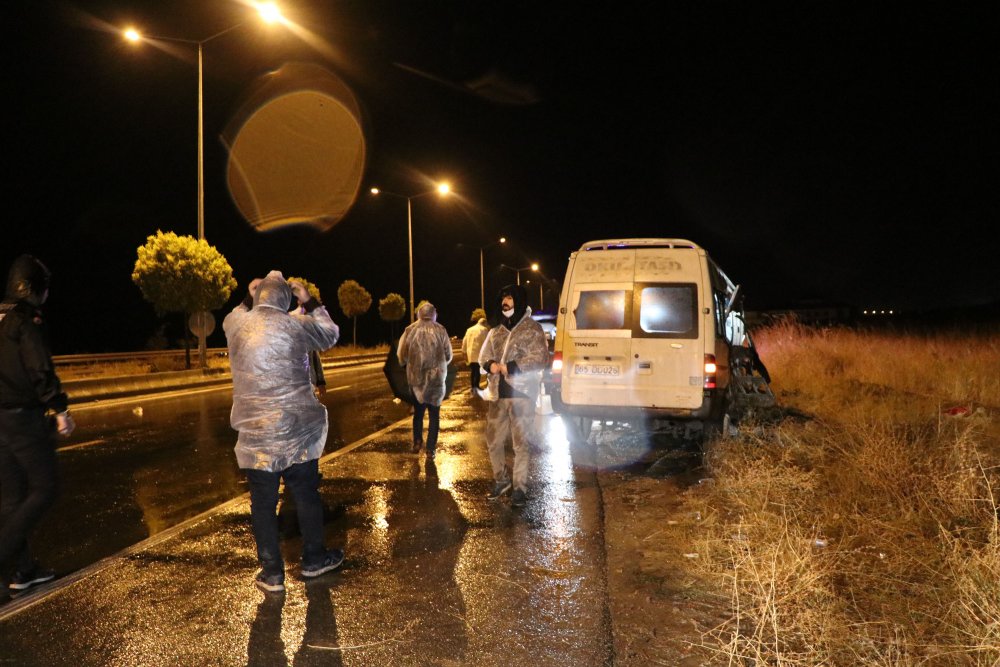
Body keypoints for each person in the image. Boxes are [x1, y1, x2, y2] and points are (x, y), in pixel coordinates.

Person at [224, 271, 343, 593]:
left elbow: (233, 315)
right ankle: (314, 559)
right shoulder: (296, 325)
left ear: (260, 296)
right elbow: (330, 334)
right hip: (297, 430)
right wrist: (311, 301)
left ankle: (272, 572)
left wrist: (249, 296)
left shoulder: (237, 325)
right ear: (287, 299)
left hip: (255, 434)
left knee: (262, 503)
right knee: (305, 494)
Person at [0, 255, 75, 593]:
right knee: (45, 488)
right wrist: (59, 409)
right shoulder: (26, 322)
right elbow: (39, 368)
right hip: (22, 418)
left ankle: (23, 570)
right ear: (32, 290)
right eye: (43, 290)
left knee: (13, 498)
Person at [479, 284, 548, 507]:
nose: (504, 303)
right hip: (497, 394)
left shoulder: (532, 329)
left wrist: (512, 366)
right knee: (494, 441)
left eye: (509, 298)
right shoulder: (496, 331)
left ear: (518, 300)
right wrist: (490, 365)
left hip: (522, 394)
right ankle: (501, 481)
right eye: (503, 299)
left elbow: (540, 357)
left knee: (521, 443)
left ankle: (519, 488)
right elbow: (484, 357)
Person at [397, 302, 452, 459]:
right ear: (434, 313)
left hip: (416, 381)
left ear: (419, 313)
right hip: (436, 380)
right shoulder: (441, 330)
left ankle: (417, 442)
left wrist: (409, 364)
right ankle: (430, 449)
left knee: (418, 413)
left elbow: (402, 355)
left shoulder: (409, 330)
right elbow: (448, 355)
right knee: (434, 415)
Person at [461, 316, 489, 391]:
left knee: (473, 370)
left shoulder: (469, 330)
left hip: (470, 354)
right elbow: (486, 342)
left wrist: (463, 351)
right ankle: (476, 386)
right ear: (484, 323)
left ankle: (473, 386)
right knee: (478, 370)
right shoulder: (484, 330)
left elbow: (464, 341)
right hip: (478, 353)